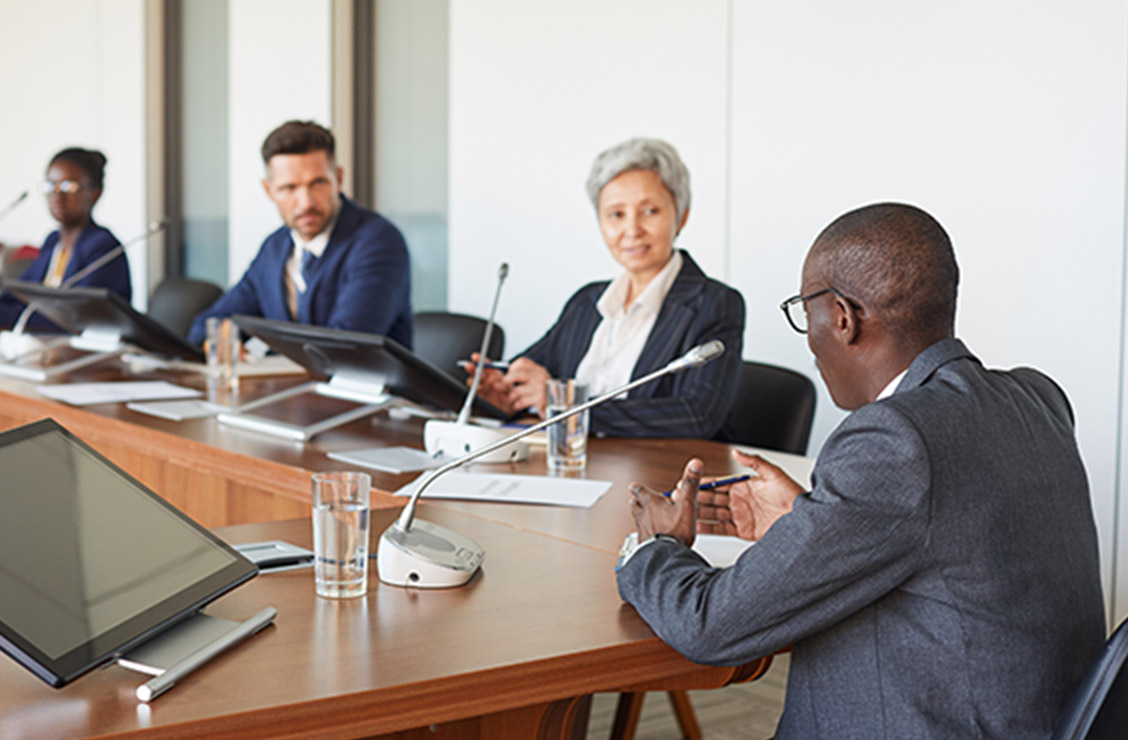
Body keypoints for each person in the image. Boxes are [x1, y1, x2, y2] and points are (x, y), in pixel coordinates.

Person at [616, 203, 1105, 738]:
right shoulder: (1036, 397)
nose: (809, 339)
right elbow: (949, 543)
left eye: (806, 311)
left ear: (843, 318)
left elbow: (709, 626)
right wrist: (807, 519)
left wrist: (653, 548)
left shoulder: (895, 440)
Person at [469, 138, 744, 438]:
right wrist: (504, 396)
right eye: (616, 214)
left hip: (656, 477)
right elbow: (529, 377)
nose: (632, 230)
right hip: (573, 469)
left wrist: (565, 407)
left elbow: (696, 416)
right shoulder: (588, 302)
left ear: (682, 215)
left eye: (650, 211)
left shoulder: (714, 304)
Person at [187, 120, 412, 347]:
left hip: (360, 382)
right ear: (268, 190)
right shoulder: (275, 247)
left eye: (318, 183)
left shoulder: (378, 242)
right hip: (289, 382)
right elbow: (211, 325)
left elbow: (348, 346)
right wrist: (218, 343)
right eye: (289, 188)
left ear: (339, 179)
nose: (306, 203)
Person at [0, 148, 130, 328]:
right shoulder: (53, 241)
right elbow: (17, 294)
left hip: (83, 352)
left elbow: (73, 320)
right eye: (50, 185)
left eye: (69, 186)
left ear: (94, 193)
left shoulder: (103, 247)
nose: (57, 195)